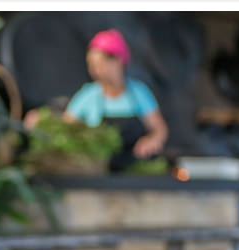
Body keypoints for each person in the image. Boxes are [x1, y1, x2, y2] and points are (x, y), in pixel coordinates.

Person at [27, 29, 168, 171]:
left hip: (134, 169)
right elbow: (67, 126)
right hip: (97, 172)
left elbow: (159, 129)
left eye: (98, 64)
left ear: (117, 61)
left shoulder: (139, 93)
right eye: (91, 65)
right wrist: (43, 121)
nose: (94, 70)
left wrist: (152, 140)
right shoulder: (88, 95)